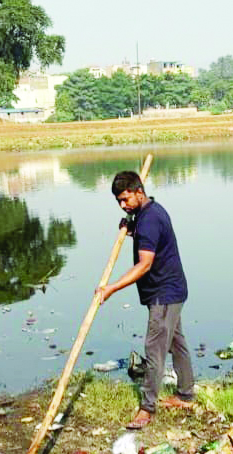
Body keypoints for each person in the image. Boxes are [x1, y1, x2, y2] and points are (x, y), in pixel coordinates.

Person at [97, 170, 195, 429]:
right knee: (177, 342)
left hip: (164, 294)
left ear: (139, 192)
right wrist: (131, 229)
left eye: (126, 199)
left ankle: (147, 408)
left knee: (154, 349)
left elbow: (144, 265)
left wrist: (112, 288)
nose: (122, 205)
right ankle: (185, 394)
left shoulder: (150, 219)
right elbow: (148, 238)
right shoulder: (146, 214)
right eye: (119, 201)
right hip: (171, 290)